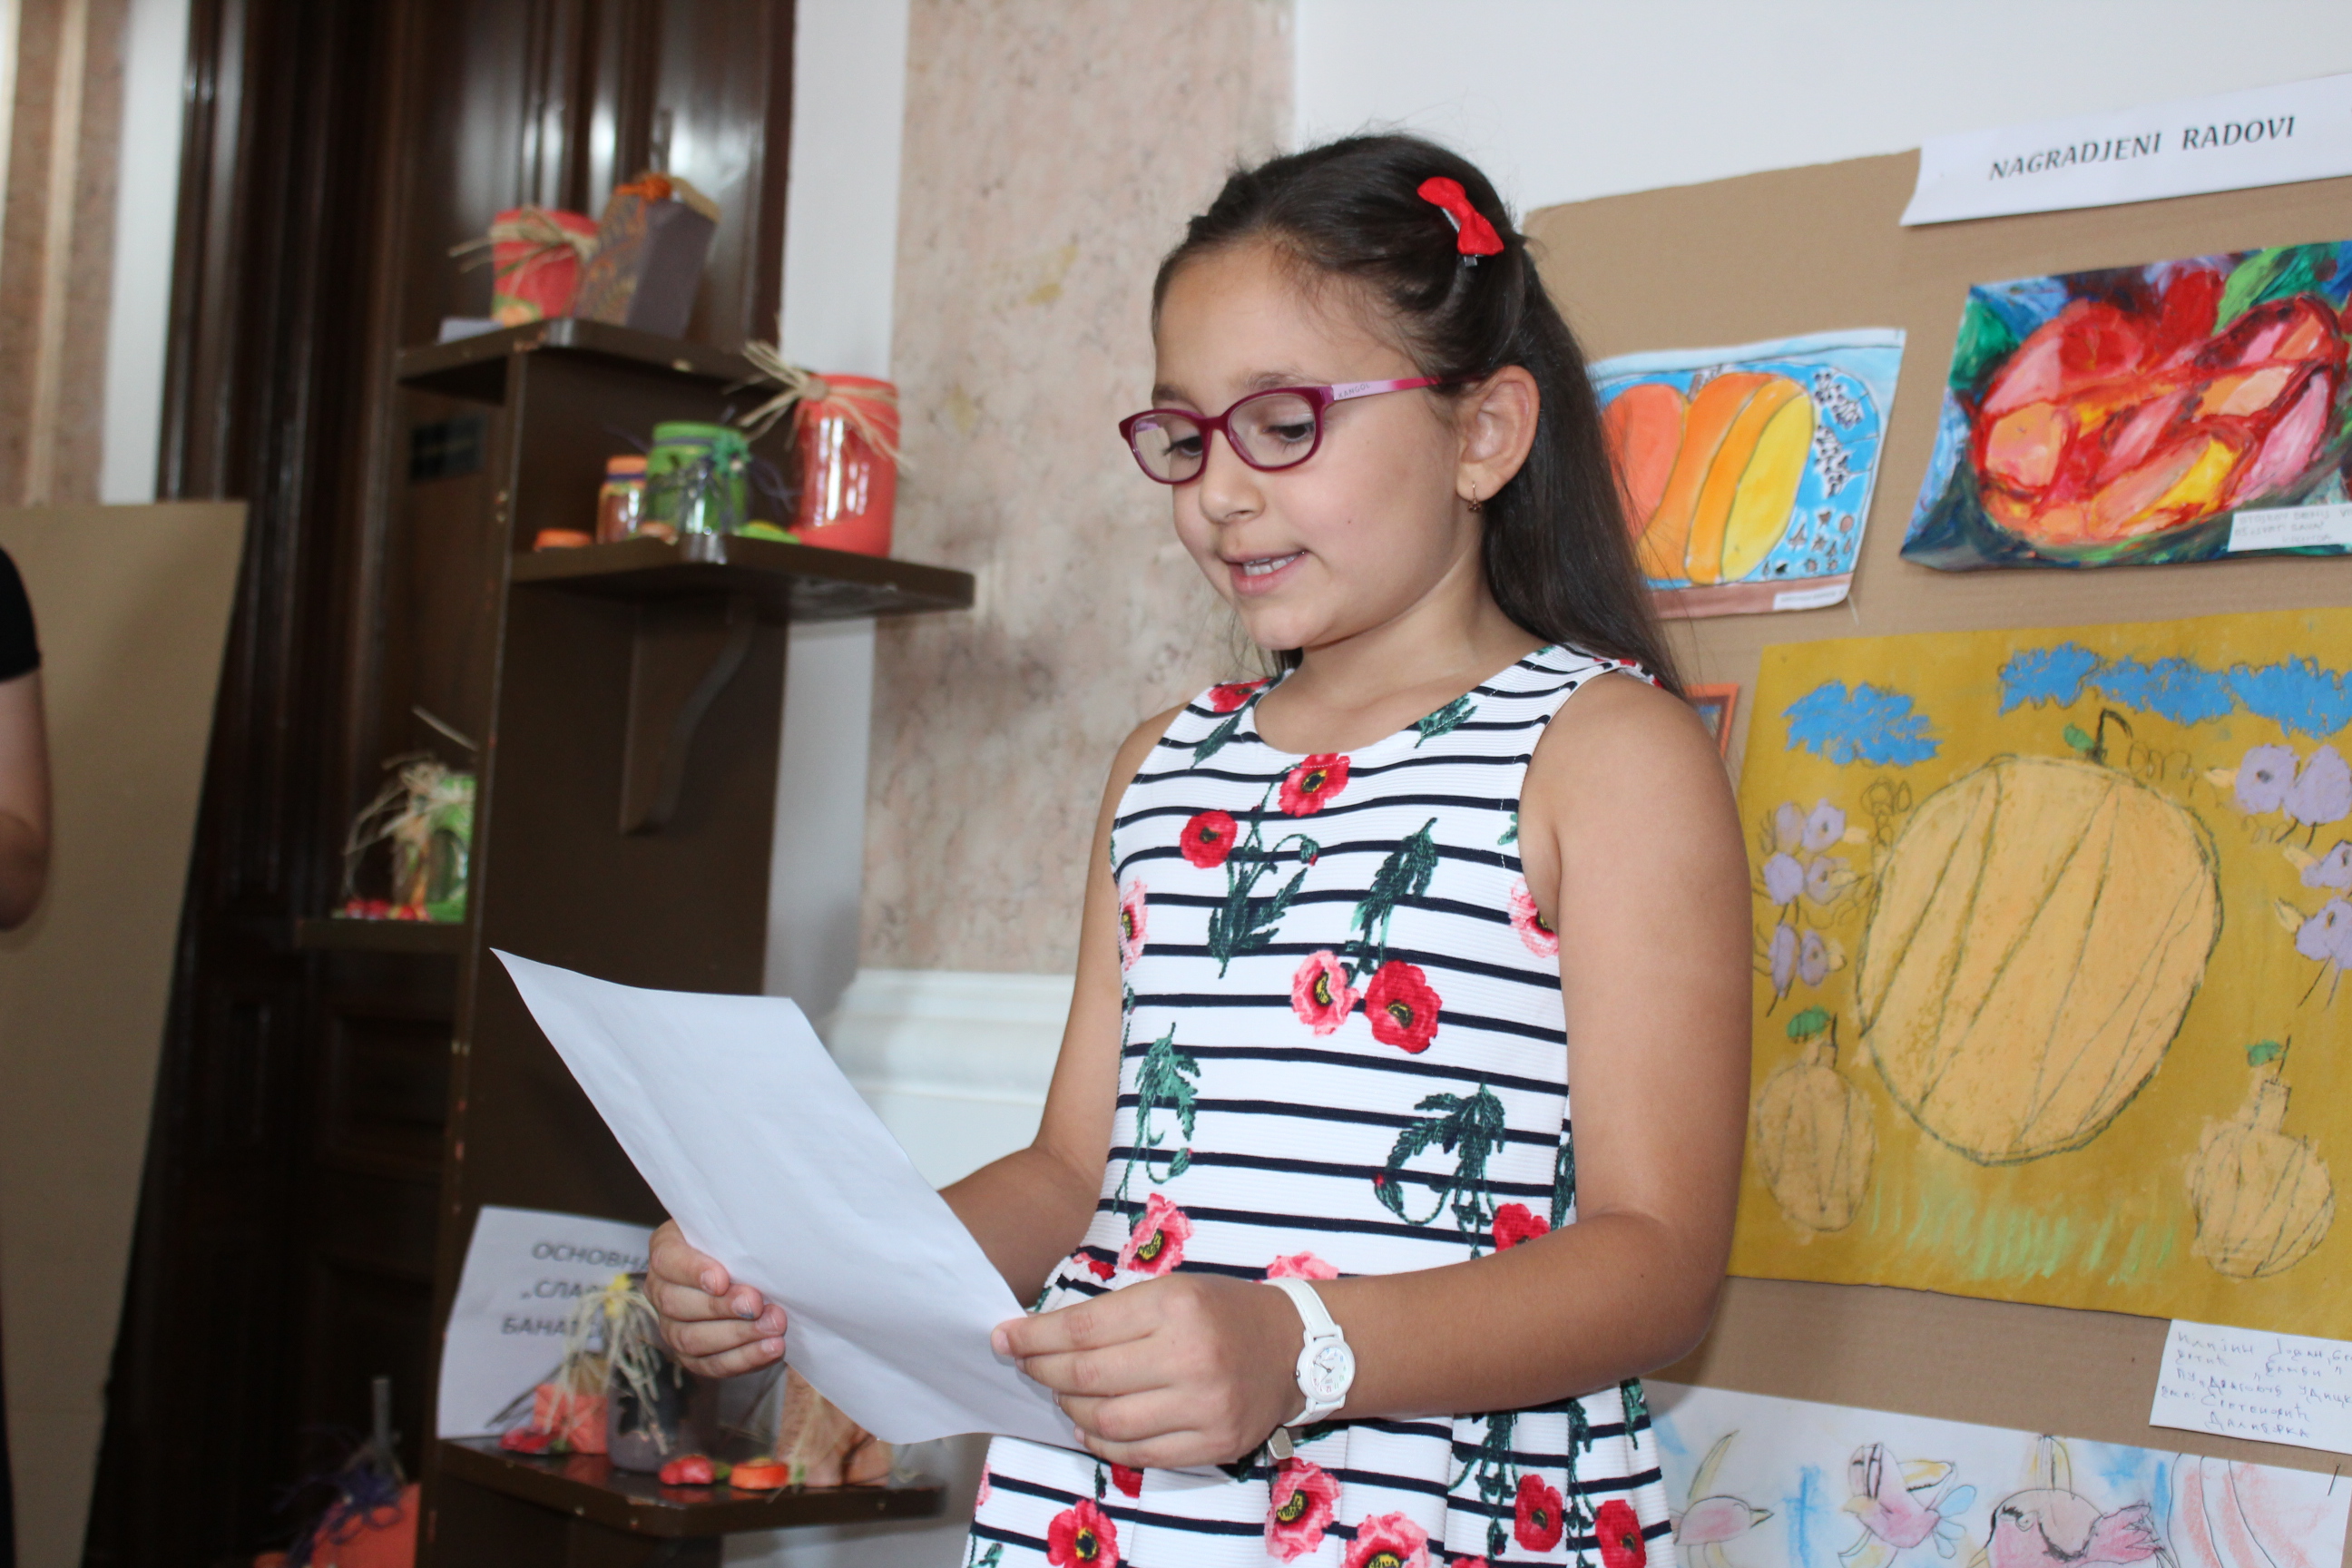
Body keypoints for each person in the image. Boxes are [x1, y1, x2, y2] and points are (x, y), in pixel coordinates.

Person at [650, 136, 1750, 1566]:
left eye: (1283, 423)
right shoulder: (1162, 767)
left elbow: (1659, 1264)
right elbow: (1072, 1173)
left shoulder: (1606, 756)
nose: (1219, 491)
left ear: (1483, 433)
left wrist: (1300, 1348)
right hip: (1115, 1517)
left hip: (1439, 1516)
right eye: (1185, 437)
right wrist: (817, 1274)